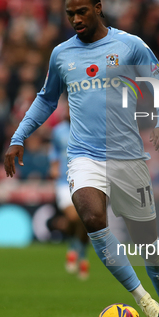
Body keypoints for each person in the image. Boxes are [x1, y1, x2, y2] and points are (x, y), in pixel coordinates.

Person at [4, 0, 159, 317]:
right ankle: (142, 298)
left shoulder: (130, 46)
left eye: (82, 12)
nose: (76, 19)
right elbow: (46, 100)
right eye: (70, 14)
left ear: (98, 8)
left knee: (149, 246)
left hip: (128, 158)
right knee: (92, 218)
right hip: (84, 156)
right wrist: (18, 137)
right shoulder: (62, 55)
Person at [49, 100, 90, 280]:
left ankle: (79, 253)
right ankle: (76, 249)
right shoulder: (58, 131)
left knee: (88, 221)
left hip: (85, 181)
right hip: (64, 181)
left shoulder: (89, 130)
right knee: (73, 217)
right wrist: (54, 164)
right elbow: (55, 150)